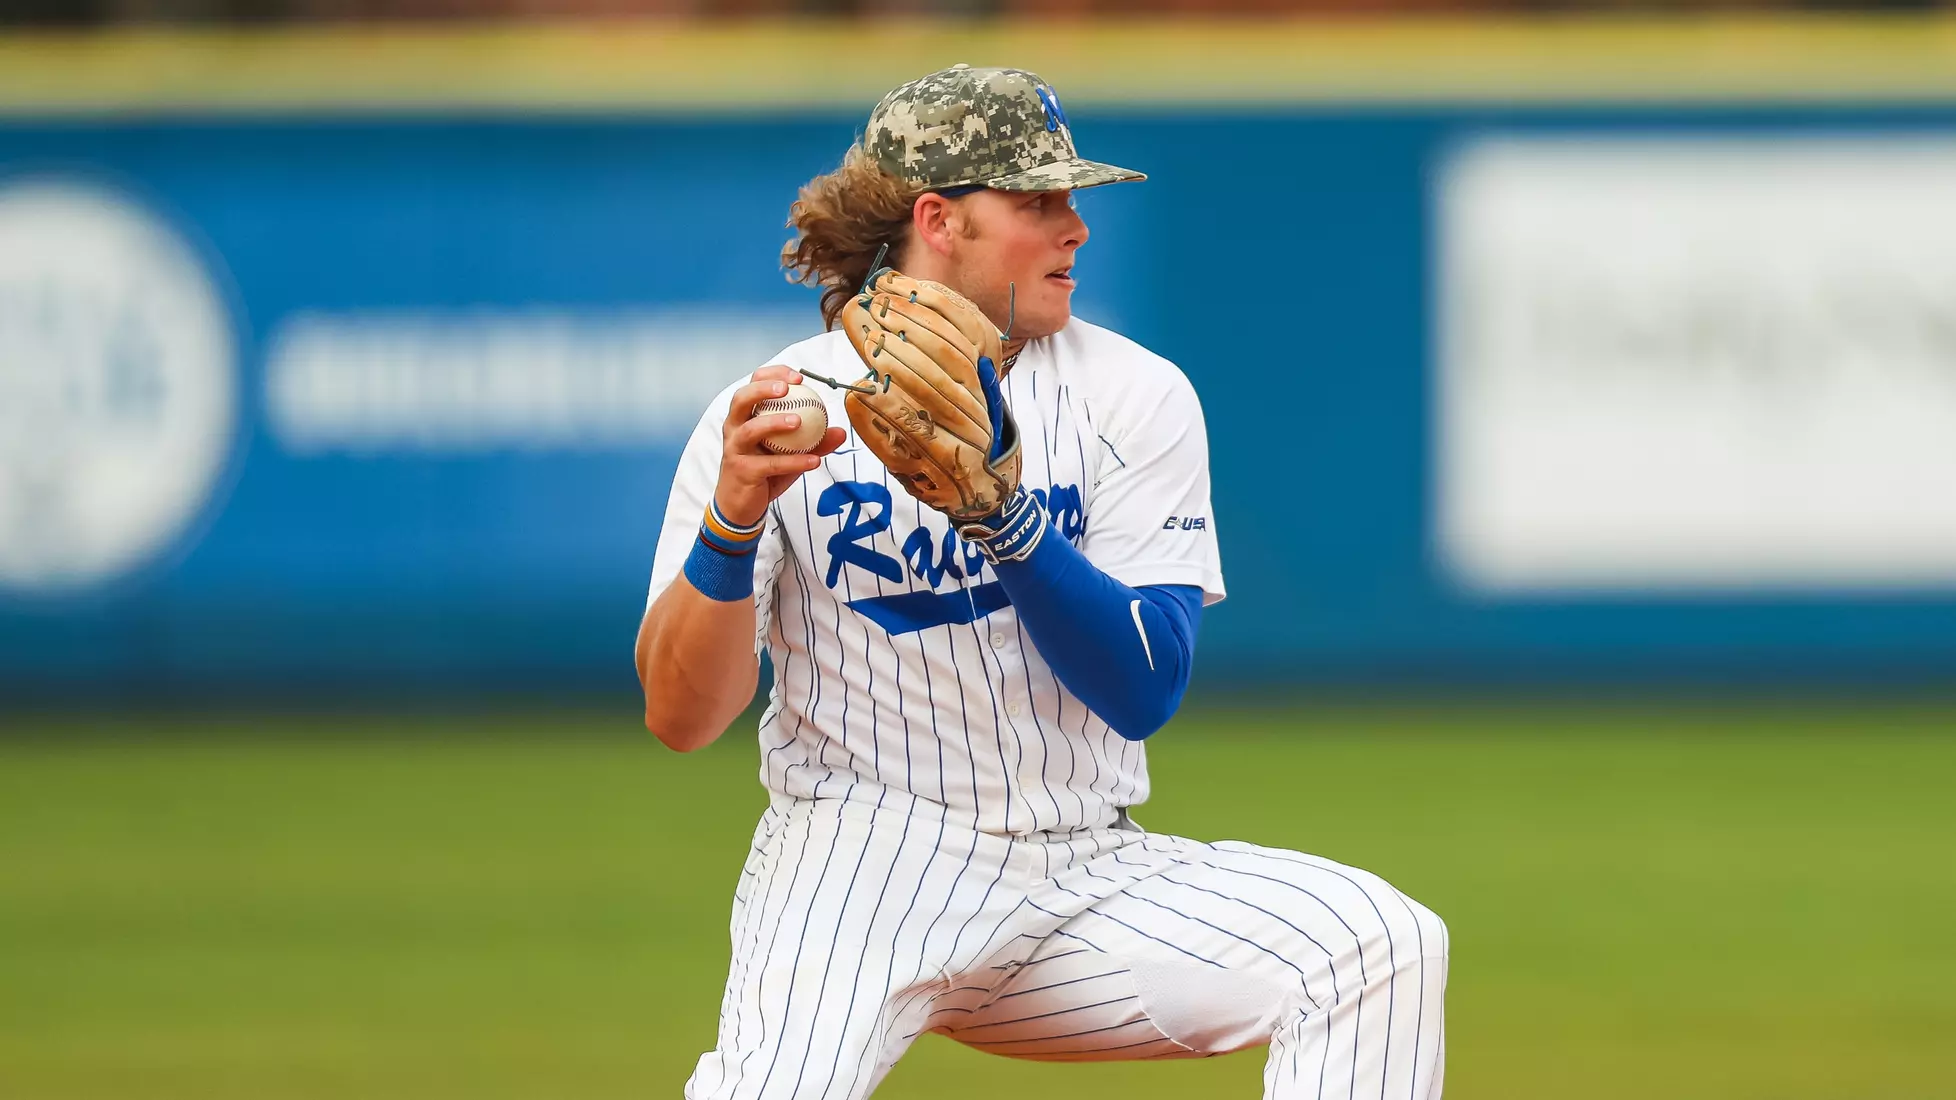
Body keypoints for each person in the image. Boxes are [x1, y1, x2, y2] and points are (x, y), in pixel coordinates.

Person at [635, 63, 1447, 1100]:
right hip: (858, 864)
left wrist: (1002, 519)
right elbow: (679, 715)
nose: (1077, 227)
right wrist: (730, 521)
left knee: (1379, 943)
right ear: (940, 219)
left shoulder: (1134, 395)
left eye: (1073, 198)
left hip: (1084, 873)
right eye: (1036, 201)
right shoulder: (777, 409)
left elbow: (1144, 684)